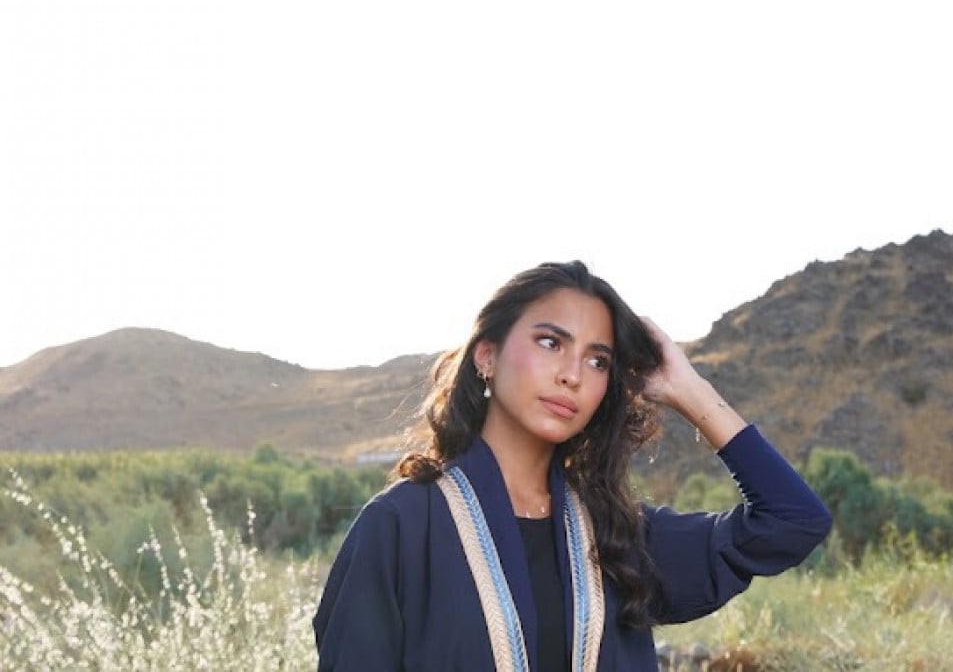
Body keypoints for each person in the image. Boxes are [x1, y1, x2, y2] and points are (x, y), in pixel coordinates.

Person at [313, 260, 832, 671]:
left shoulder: (617, 536)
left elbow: (793, 521)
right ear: (487, 356)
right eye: (550, 342)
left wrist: (689, 390)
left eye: (597, 360)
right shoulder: (401, 526)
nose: (573, 375)